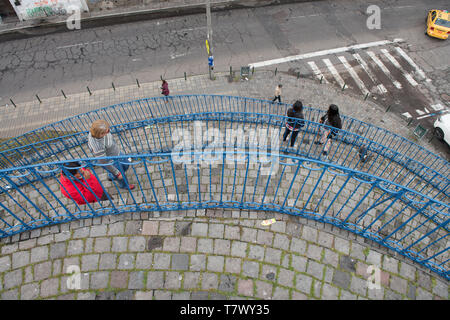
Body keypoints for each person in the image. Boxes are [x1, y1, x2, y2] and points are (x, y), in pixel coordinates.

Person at [87, 120, 135, 190]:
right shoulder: (97, 145)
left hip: (116, 153)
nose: (109, 131)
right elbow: (103, 161)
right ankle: (124, 185)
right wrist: (117, 173)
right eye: (106, 131)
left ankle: (112, 176)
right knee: (121, 175)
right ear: (100, 134)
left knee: (126, 165)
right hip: (111, 161)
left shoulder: (101, 132)